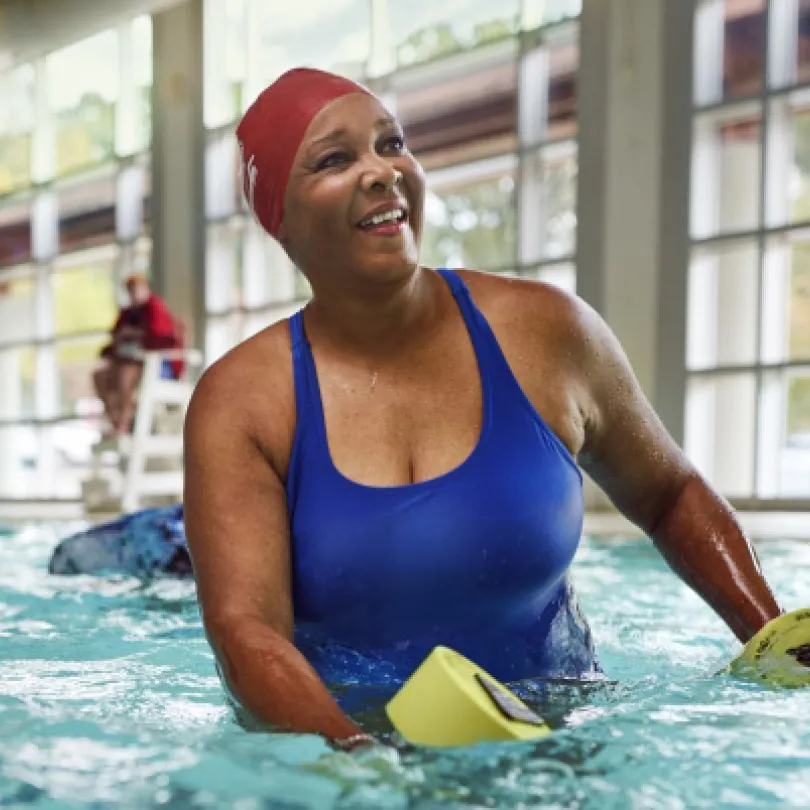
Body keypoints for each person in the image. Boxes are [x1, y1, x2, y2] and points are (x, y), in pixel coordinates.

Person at [182, 68, 783, 749]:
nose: (381, 172)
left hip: (558, 734)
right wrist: (360, 767)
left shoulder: (546, 333)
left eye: (392, 144)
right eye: (335, 159)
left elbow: (671, 494)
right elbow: (247, 631)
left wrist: (776, 639)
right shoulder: (244, 401)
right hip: (343, 747)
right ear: (279, 218)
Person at [94, 274, 185, 436]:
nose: (134, 294)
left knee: (125, 375)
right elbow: (115, 338)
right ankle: (114, 419)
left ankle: (123, 421)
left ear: (145, 289)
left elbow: (161, 339)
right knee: (100, 376)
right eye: (131, 291)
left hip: (158, 365)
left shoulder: (155, 308)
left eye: (137, 290)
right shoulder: (128, 314)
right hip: (131, 362)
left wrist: (136, 334)